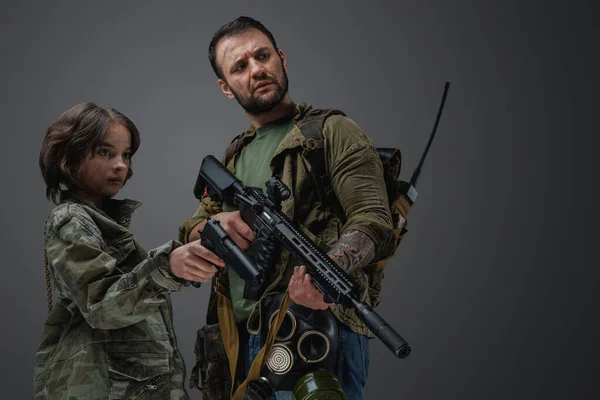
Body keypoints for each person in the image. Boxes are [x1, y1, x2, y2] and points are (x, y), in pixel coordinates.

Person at [179, 16, 397, 400]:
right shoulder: (235, 154)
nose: (257, 69)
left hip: (310, 328)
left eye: (263, 56)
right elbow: (192, 229)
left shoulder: (332, 131)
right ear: (226, 87)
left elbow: (373, 221)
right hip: (235, 338)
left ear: (281, 58)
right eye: (240, 66)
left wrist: (327, 274)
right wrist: (217, 222)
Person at [34, 102, 224, 400]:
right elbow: (102, 306)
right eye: (105, 152)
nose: (121, 165)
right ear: (69, 156)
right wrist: (168, 267)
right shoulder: (71, 219)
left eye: (126, 155)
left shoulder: (100, 220)